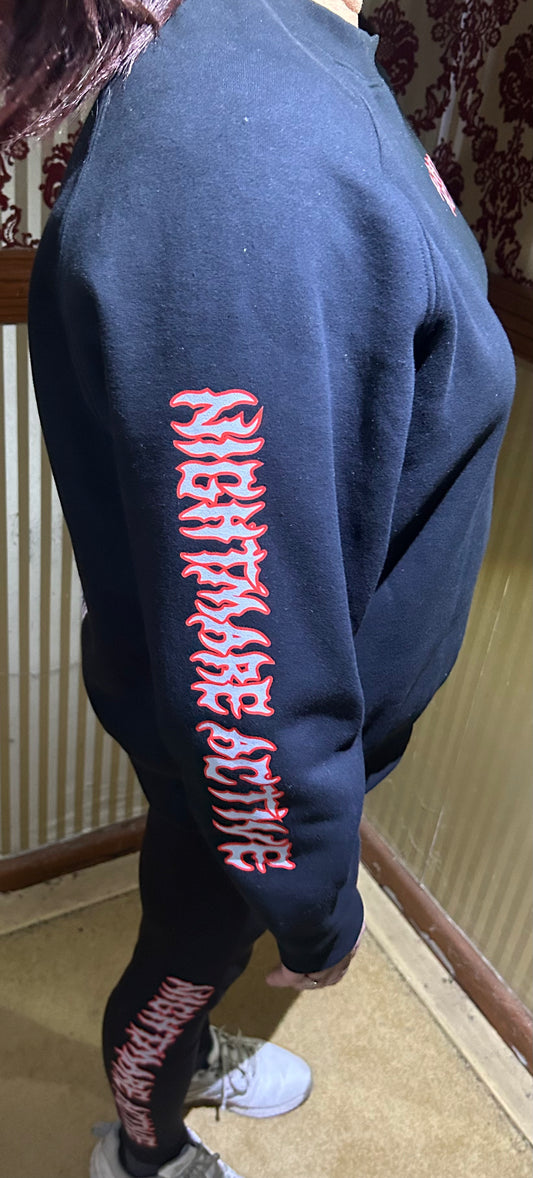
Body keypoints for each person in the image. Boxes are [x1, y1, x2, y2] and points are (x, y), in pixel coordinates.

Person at [0, 1, 516, 1176]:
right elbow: (245, 702)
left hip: (261, 752)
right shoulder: (231, 155)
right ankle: (143, 1145)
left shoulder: (276, 58)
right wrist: (315, 907)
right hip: (251, 774)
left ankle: (184, 1047)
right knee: (188, 947)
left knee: (201, 920)